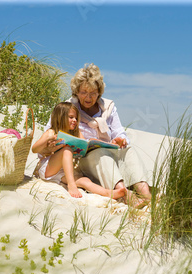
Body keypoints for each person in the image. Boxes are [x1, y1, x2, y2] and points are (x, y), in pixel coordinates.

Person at [40, 64, 151, 207]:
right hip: (81, 159)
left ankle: (145, 194)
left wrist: (121, 140)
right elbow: (51, 132)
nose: (88, 97)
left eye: (93, 92)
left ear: (99, 92)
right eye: (84, 92)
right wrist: (49, 146)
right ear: (76, 92)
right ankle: (124, 193)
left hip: (107, 151)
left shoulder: (108, 107)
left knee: (129, 150)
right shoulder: (67, 108)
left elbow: (119, 132)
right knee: (100, 154)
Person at [32, 102, 127, 200]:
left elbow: (84, 143)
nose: (75, 120)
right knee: (67, 150)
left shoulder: (76, 132)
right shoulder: (51, 132)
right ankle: (71, 185)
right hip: (48, 168)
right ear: (61, 117)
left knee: (85, 181)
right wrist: (47, 139)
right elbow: (34, 149)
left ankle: (108, 193)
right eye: (71, 117)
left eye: (76, 118)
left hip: (62, 172)